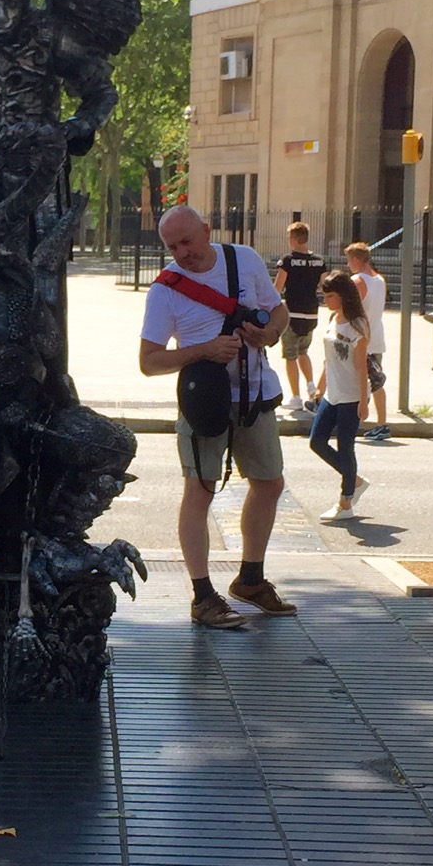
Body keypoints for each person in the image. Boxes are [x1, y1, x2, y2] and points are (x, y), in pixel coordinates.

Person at [139, 205, 295, 629]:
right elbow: (149, 361)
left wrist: (270, 333)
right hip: (205, 401)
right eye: (172, 246)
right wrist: (204, 351)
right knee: (200, 491)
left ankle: (250, 580)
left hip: (255, 395)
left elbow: (277, 310)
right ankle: (203, 596)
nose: (181, 253)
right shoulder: (165, 289)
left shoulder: (243, 259)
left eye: (187, 241)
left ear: (206, 231)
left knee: (270, 483)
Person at [309, 270, 371, 521]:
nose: (326, 300)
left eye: (330, 295)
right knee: (317, 441)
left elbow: (361, 367)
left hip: (351, 396)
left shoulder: (358, 325)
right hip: (331, 394)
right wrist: (320, 386)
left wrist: (364, 401)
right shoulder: (333, 318)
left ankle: (346, 503)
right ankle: (354, 480)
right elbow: (329, 358)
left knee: (346, 448)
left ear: (343, 295)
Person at [273, 221, 326, 410]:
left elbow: (277, 288)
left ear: (294, 239)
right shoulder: (319, 261)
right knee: (304, 351)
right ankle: (311, 386)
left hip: (292, 313)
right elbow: (325, 286)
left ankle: (295, 398)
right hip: (311, 313)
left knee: (290, 356)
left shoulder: (288, 261)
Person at [346, 241, 389, 441]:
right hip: (377, 337)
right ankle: (381, 423)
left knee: (355, 383)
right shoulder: (379, 280)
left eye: (349, 260)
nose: (348, 265)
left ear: (356, 260)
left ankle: (352, 422)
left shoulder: (357, 281)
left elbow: (350, 309)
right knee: (376, 382)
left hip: (360, 339)